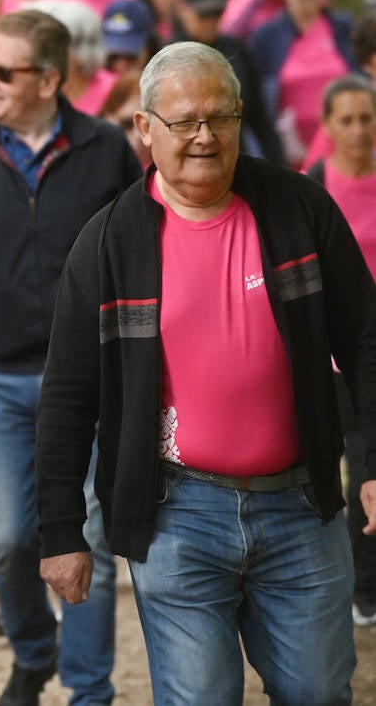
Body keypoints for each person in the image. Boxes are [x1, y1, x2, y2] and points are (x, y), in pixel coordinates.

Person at [36, 42, 376, 705]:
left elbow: (366, 339)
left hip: (302, 503)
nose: (204, 136)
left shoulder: (298, 209)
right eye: (185, 120)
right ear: (144, 129)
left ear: (241, 118)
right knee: (200, 697)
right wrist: (61, 531)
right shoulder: (109, 243)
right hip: (176, 511)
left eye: (220, 118)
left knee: (317, 691)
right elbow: (69, 395)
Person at [0, 9, 141, 706]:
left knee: (89, 535)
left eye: (3, 71)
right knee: (9, 536)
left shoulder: (105, 149)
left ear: (49, 78)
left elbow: (140, 264)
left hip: (92, 377)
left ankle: (89, 687)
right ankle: (34, 650)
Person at [306, 75, 376, 630]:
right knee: (351, 465)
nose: (357, 129)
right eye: (346, 119)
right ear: (327, 125)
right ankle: (358, 587)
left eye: (366, 118)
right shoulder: (314, 186)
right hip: (335, 356)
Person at [248, 0, 357, 167]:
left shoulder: (343, 28)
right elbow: (256, 109)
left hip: (348, 152)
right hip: (289, 158)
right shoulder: (266, 38)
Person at [172, 0, 282, 164]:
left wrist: (278, 167)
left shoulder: (237, 51)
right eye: (203, 14)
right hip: (186, 156)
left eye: (217, 13)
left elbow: (259, 118)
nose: (211, 21)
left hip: (237, 154)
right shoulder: (169, 56)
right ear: (182, 8)